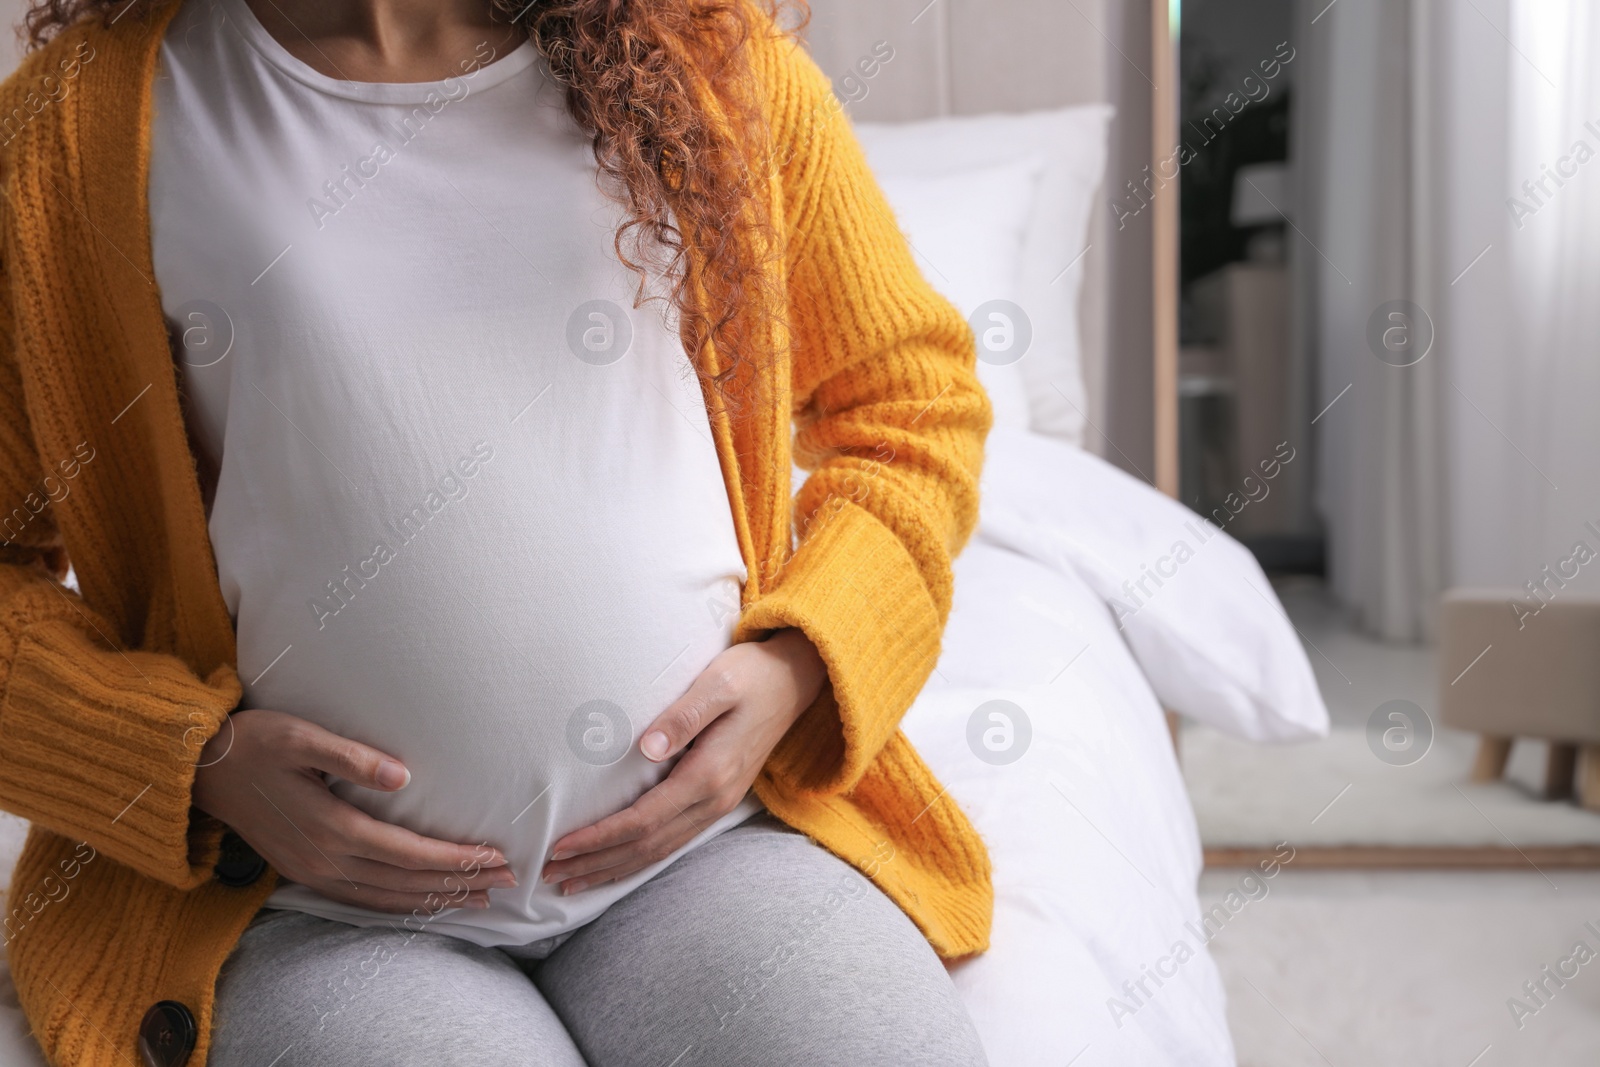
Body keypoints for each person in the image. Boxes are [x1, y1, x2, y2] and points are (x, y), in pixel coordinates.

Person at [0, 0, 994, 1063]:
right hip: (313, 912)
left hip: (708, 849)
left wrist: (800, 665)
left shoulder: (703, 60)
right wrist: (193, 760)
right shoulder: (75, 135)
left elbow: (910, 406)